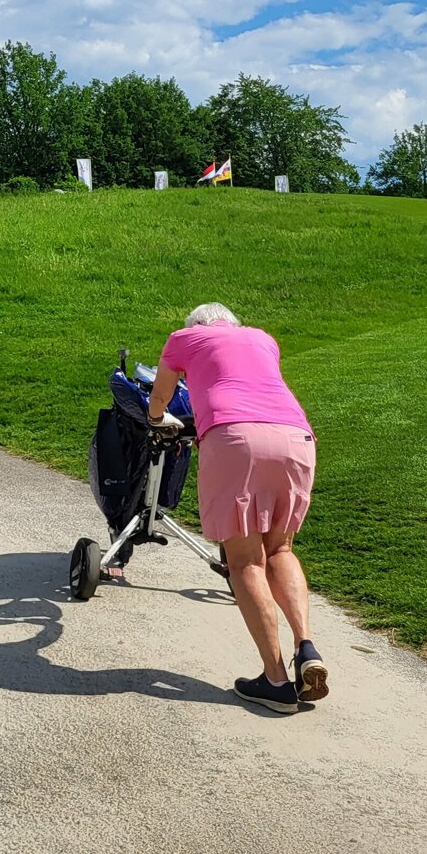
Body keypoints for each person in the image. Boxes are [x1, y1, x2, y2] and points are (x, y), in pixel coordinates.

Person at [148, 303, 326, 714]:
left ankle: (277, 681)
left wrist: (156, 418)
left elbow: (161, 395)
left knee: (246, 560)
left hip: (235, 436)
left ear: (195, 324)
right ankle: (306, 645)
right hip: (296, 438)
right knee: (280, 549)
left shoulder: (183, 338)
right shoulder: (263, 338)